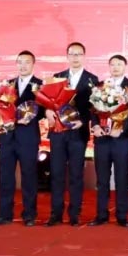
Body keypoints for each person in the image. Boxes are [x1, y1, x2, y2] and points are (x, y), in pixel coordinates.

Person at [46, 41, 99, 226]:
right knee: (57, 173)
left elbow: (95, 108)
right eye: (72, 54)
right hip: (58, 132)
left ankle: (74, 214)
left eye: (78, 54)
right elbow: (48, 102)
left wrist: (83, 121)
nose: (75, 57)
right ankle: (56, 213)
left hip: (78, 133)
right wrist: (47, 111)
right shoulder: (57, 77)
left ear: (84, 56)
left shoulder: (92, 79)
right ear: (67, 56)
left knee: (76, 174)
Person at [0, 51, 43, 227]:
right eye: (20, 62)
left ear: (33, 64)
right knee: (5, 176)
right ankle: (4, 214)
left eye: (27, 62)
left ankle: (29, 214)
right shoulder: (7, 85)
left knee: (29, 176)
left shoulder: (40, 86)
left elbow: (43, 110)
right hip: (7, 136)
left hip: (28, 137)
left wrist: (30, 115)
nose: (23, 65)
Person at [91, 54, 128, 227]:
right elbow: (93, 110)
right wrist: (95, 126)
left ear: (125, 66)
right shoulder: (100, 86)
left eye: (119, 64)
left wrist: (121, 128)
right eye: (113, 64)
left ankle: (122, 216)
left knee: (121, 178)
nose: (116, 67)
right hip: (102, 140)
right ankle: (101, 215)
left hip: (122, 140)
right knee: (102, 179)